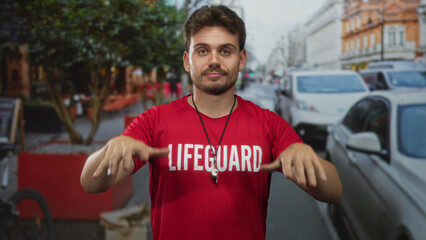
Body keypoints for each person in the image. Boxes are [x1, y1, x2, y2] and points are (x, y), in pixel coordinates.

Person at [80, 5, 342, 240]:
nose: (214, 60)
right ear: (187, 60)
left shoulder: (268, 124)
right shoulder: (154, 120)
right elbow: (90, 184)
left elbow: (332, 192)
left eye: (225, 51)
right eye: (203, 50)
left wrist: (305, 154)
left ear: (241, 60)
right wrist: (112, 148)